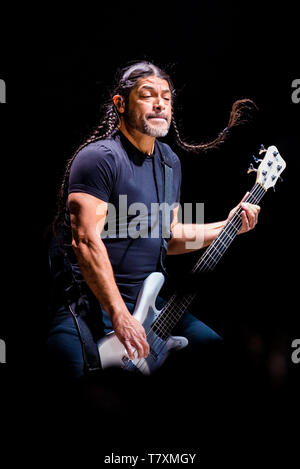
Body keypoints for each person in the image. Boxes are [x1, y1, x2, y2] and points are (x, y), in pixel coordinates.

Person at [47, 61, 260, 380]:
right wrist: (119, 315)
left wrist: (228, 225)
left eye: (167, 97)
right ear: (120, 103)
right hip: (92, 311)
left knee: (224, 363)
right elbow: (86, 241)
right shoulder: (100, 158)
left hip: (150, 310)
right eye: (147, 94)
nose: (160, 103)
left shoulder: (169, 163)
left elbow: (168, 236)